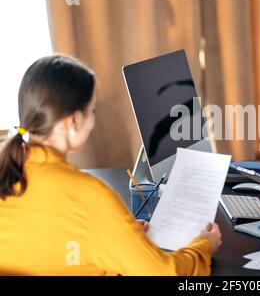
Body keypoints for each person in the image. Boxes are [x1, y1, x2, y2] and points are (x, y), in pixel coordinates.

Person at [0, 55, 222, 275]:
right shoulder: (90, 197)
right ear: (73, 121)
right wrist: (203, 245)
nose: (93, 121)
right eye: (92, 111)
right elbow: (163, 273)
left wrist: (119, 235)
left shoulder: (7, 172)